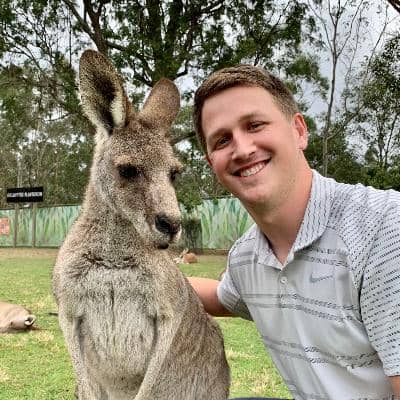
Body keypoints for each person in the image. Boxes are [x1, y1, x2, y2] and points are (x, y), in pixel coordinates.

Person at [188, 65, 400, 400]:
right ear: (212, 163)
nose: (242, 149)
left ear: (299, 130)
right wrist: (133, 275)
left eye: (255, 125)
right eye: (222, 140)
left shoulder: (383, 229)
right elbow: (221, 297)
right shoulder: (246, 259)